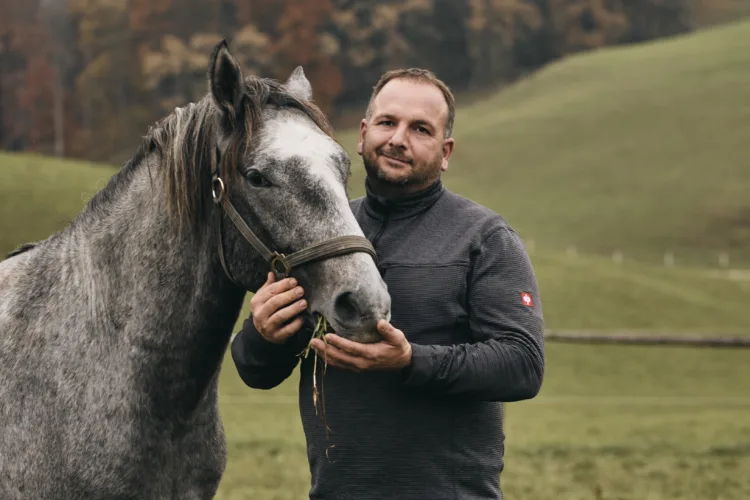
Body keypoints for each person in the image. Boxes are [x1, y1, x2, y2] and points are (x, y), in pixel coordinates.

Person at [230, 68, 545, 500]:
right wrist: (262, 335)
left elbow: (523, 365)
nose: (398, 138)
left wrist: (410, 361)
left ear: (445, 150)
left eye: (420, 129)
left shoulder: (483, 238)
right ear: (362, 135)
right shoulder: (318, 238)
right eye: (387, 122)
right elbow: (256, 372)